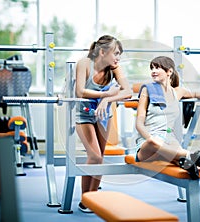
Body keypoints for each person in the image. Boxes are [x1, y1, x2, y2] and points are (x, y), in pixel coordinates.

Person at [75, 35, 132, 213]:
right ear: (102, 51)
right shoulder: (84, 63)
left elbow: (128, 91)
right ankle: (85, 199)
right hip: (83, 115)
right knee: (95, 157)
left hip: (103, 116)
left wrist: (107, 101)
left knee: (101, 158)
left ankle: (93, 199)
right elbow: (80, 92)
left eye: (119, 55)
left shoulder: (114, 68)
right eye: (115, 53)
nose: (117, 58)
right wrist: (107, 95)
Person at [135, 56, 200, 180]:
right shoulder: (147, 89)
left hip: (168, 142)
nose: (153, 71)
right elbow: (139, 123)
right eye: (152, 68)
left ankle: (188, 163)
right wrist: (150, 138)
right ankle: (190, 155)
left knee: (177, 156)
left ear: (169, 72)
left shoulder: (177, 92)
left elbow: (195, 94)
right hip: (147, 146)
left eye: (158, 68)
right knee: (153, 142)